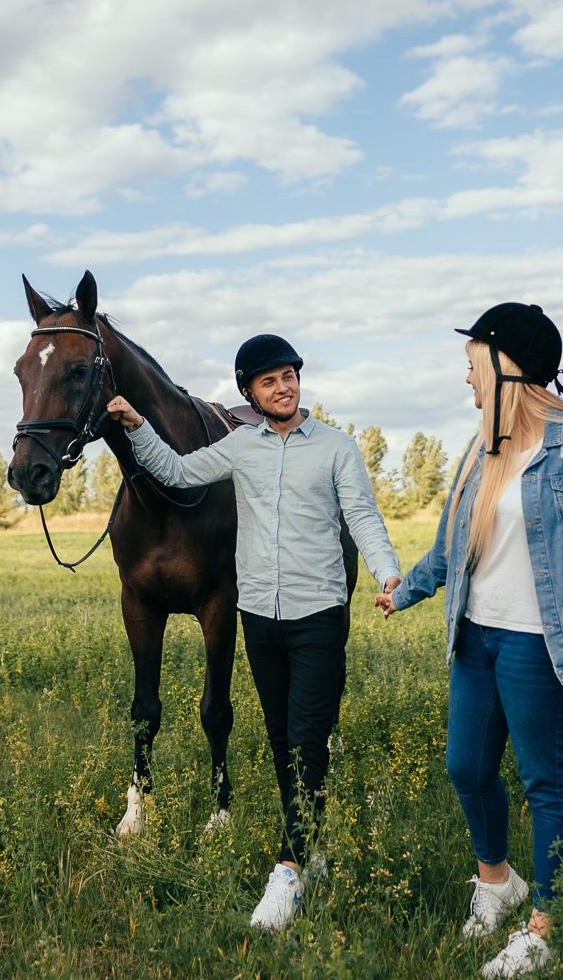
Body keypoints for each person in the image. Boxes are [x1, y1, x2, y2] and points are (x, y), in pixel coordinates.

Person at [375, 303, 563, 980]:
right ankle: (498, 881)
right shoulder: (482, 449)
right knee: (465, 768)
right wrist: (406, 590)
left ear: (509, 369)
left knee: (547, 784)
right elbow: (453, 543)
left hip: (543, 643)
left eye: (474, 368)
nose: (467, 383)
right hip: (477, 635)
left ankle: (547, 929)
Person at [103, 334, 403, 932]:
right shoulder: (239, 446)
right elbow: (177, 472)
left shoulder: (337, 448)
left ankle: (289, 869)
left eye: (289, 375)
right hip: (261, 616)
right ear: (250, 393)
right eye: (269, 381)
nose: (284, 386)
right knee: (279, 740)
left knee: (307, 735)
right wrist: (137, 424)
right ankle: (314, 851)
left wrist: (388, 571)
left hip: (319, 611)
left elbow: (363, 515)